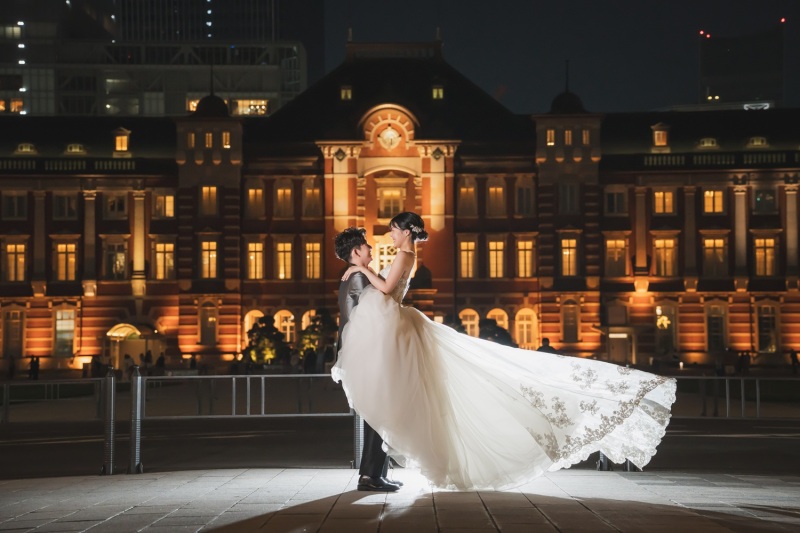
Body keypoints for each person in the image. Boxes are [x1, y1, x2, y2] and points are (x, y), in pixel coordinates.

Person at [333, 212, 677, 491]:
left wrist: (361, 268)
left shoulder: (400, 256)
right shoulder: (397, 258)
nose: (387, 237)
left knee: (395, 400)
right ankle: (373, 472)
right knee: (398, 399)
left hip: (398, 331)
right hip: (398, 330)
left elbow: (387, 288)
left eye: (393, 231)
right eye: (372, 242)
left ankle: (374, 472)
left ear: (406, 232)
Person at [334, 227, 400, 492]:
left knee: (378, 412)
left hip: (362, 352)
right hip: (369, 352)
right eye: (367, 247)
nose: (371, 250)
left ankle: (374, 473)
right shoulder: (358, 279)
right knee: (378, 413)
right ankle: (371, 475)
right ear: (356, 251)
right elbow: (378, 311)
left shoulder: (354, 277)